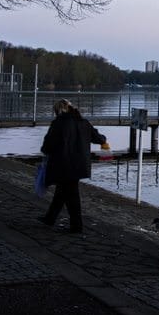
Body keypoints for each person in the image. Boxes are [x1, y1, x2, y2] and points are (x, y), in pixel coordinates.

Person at [38, 99, 108, 233]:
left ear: (58, 111)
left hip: (63, 164)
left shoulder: (58, 124)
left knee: (71, 195)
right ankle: (50, 218)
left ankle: (77, 226)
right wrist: (103, 139)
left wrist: (45, 151)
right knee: (62, 191)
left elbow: (48, 145)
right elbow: (99, 138)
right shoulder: (84, 123)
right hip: (80, 164)